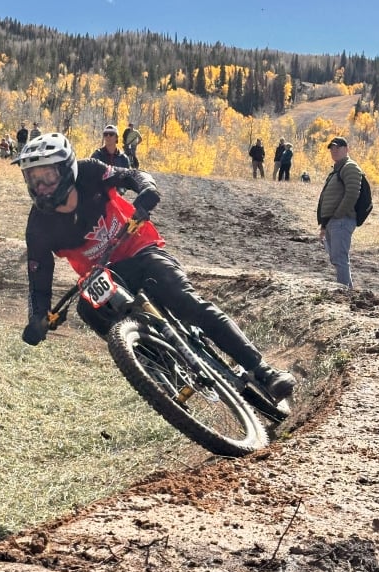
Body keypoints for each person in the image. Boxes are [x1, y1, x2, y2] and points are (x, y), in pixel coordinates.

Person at [15, 132, 296, 401]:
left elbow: (131, 175)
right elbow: (38, 278)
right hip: (106, 277)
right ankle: (155, 366)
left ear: (66, 170)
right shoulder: (38, 226)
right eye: (33, 179)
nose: (41, 187)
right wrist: (38, 318)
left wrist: (147, 189)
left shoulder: (89, 172)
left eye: (48, 176)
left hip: (139, 250)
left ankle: (262, 370)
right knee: (87, 309)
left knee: (188, 303)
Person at [317, 136, 362, 288]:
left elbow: (352, 194)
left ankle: (345, 293)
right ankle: (347, 292)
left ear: (346, 149)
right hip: (333, 222)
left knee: (340, 258)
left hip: (341, 221)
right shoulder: (338, 169)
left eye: (338, 148)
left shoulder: (350, 167)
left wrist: (338, 214)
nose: (334, 151)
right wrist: (324, 225)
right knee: (336, 258)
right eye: (332, 148)